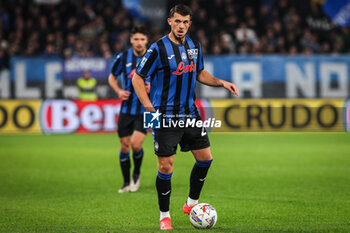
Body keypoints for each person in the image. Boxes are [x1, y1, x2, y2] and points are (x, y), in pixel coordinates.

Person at [132, 4, 239, 230]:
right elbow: (137, 78)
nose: (181, 26)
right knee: (165, 167)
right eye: (177, 21)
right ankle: (164, 216)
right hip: (163, 116)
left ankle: (191, 203)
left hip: (190, 113)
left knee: (205, 159)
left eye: (185, 22)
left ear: (190, 24)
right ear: (169, 22)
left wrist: (221, 82)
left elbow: (199, 72)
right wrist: (149, 108)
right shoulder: (157, 48)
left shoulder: (194, 46)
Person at [108, 26, 150, 193]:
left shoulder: (153, 56)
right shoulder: (123, 57)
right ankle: (126, 182)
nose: (139, 43)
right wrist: (118, 91)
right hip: (126, 109)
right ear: (131, 40)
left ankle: (136, 174)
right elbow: (112, 77)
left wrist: (152, 87)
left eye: (142, 39)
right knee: (124, 146)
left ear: (146, 41)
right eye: (136, 39)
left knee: (135, 144)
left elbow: (164, 78)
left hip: (145, 110)